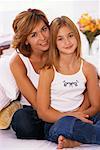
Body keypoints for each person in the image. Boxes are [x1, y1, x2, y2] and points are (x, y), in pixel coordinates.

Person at [37, 16, 100, 149]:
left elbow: (96, 105)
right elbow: (43, 112)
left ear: (76, 36)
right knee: (66, 125)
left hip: (84, 115)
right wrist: (72, 116)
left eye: (70, 36)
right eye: (60, 39)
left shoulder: (89, 68)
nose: (67, 42)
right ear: (54, 43)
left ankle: (76, 141)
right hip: (58, 122)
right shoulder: (48, 71)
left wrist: (81, 115)